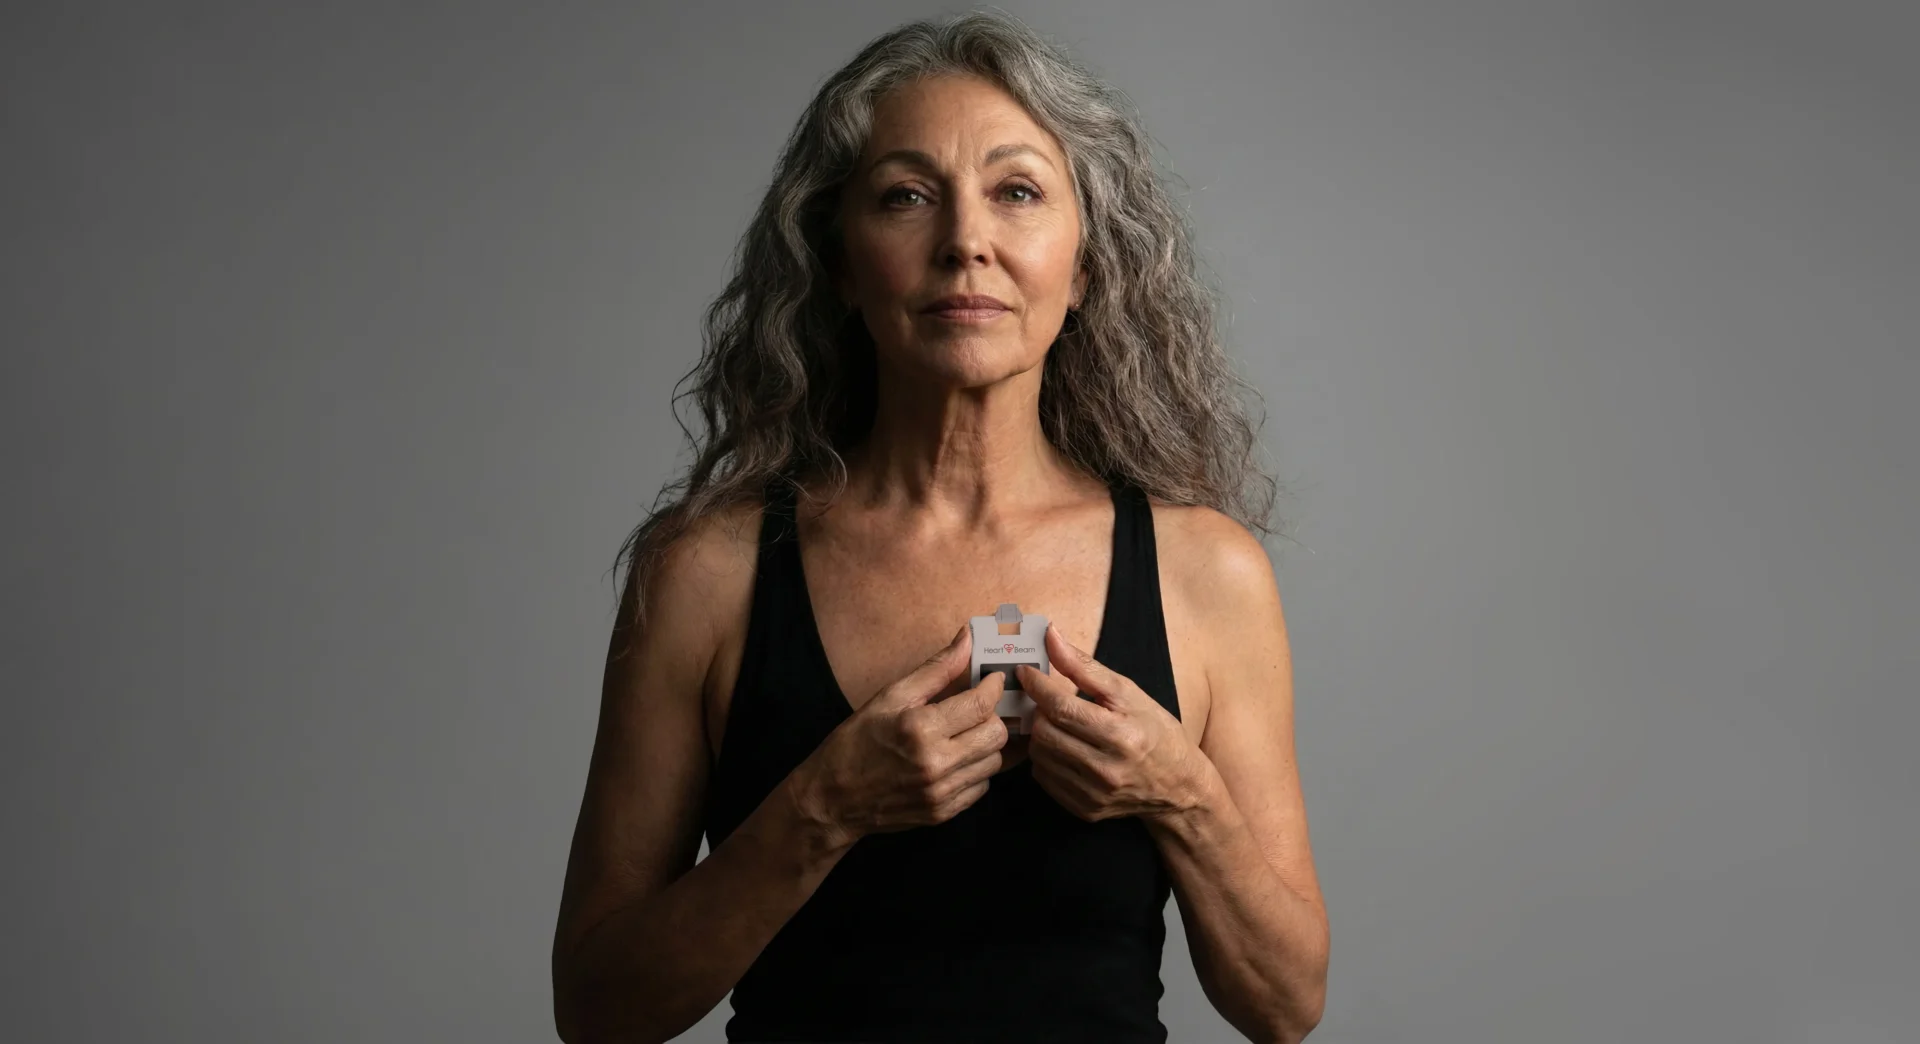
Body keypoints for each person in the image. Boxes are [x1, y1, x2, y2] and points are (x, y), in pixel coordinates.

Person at [551, 11, 1328, 1043]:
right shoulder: (709, 574)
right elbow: (598, 1009)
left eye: (1017, 192)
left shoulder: (1205, 573)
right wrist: (824, 805)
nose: (966, 241)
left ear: (1085, 265)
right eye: (908, 196)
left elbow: (1285, 1007)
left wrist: (1180, 794)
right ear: (838, 260)